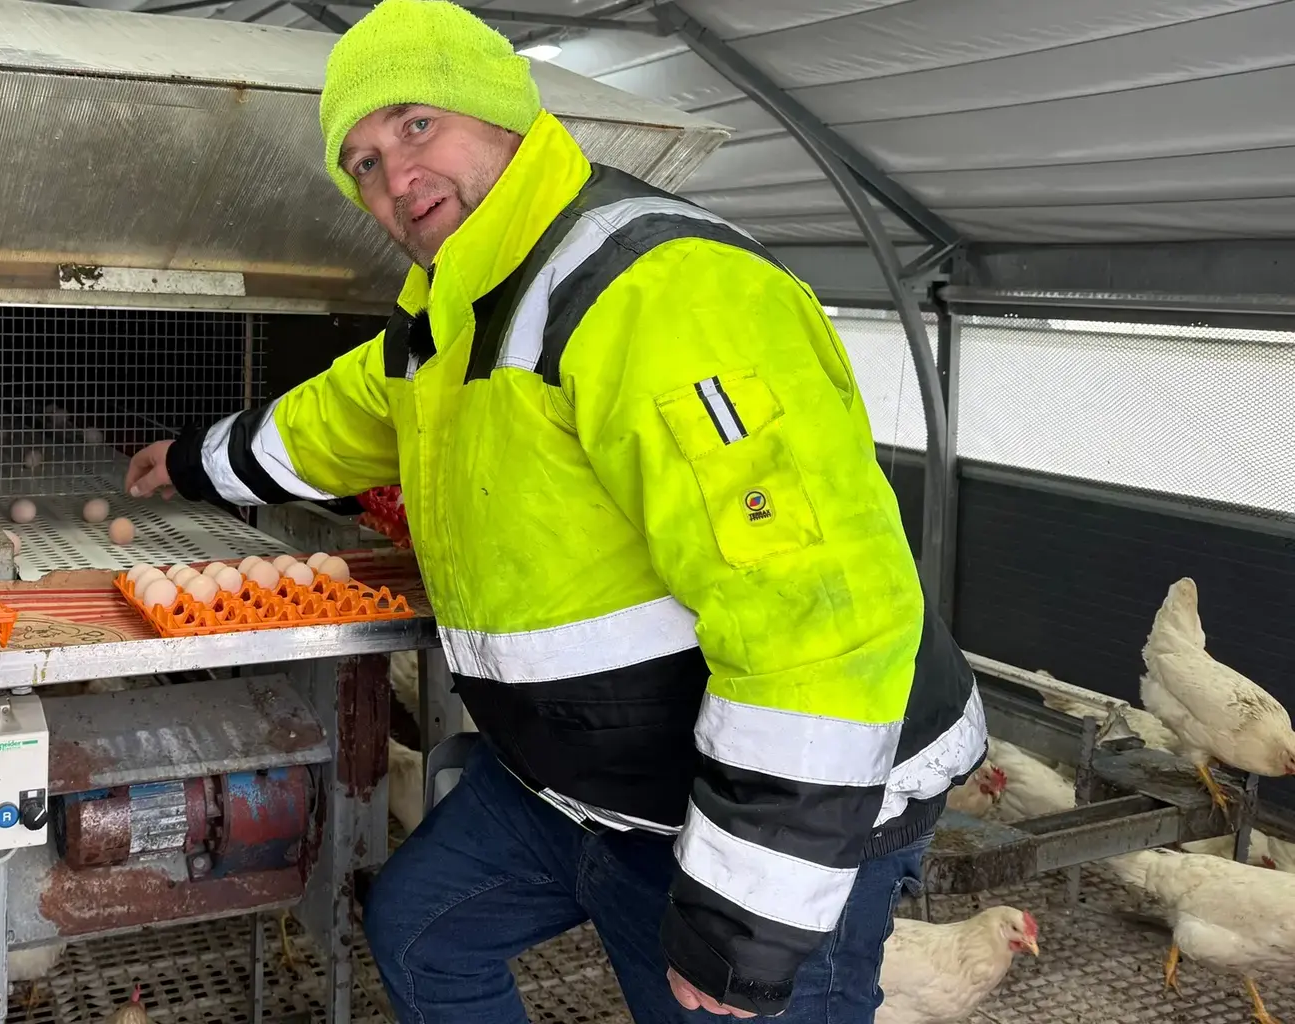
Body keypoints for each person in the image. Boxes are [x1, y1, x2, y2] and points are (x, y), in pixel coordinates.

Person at [125, 1, 985, 1019]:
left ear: (504, 114)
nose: (394, 179)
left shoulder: (655, 290)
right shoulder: (450, 320)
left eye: (414, 125)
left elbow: (817, 621)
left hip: (756, 809)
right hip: (582, 787)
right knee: (425, 931)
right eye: (359, 161)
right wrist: (189, 462)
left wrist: (742, 922)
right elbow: (334, 420)